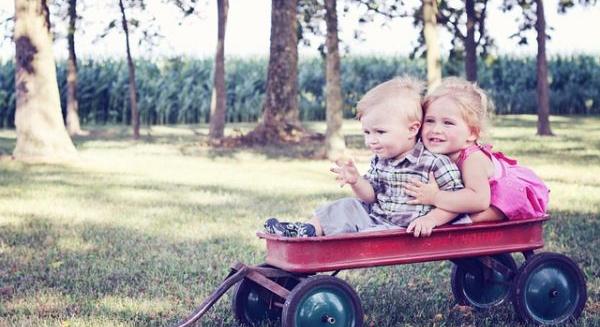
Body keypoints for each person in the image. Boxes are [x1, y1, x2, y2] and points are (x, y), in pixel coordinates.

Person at [264, 76, 464, 238]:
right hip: (376, 218)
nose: (371, 141)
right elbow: (371, 196)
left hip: (401, 230)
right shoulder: (381, 159)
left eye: (380, 132)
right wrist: (356, 181)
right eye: (367, 133)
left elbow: (456, 203)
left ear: (412, 129)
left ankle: (325, 241)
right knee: (347, 205)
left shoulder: (434, 163)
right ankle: (306, 231)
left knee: (363, 237)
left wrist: (431, 220)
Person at [405, 77, 549, 222]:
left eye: (448, 123)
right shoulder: (435, 151)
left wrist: (435, 197)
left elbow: (479, 200)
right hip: (476, 195)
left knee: (474, 214)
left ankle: (463, 224)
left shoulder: (472, 160)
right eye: (430, 121)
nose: (436, 129)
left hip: (506, 196)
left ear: (472, 133)